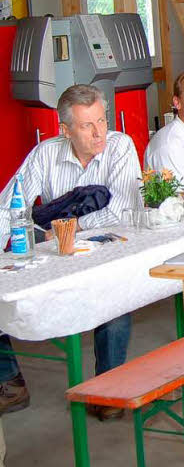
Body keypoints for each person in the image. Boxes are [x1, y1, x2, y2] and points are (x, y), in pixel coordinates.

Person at [0, 84, 142, 421]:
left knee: (114, 298)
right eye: (86, 125)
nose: (99, 133)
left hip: (111, 250)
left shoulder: (121, 146)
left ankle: (109, 388)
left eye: (102, 121)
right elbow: (10, 206)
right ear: (65, 130)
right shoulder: (46, 153)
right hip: (59, 257)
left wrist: (63, 228)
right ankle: (9, 381)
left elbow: (120, 212)